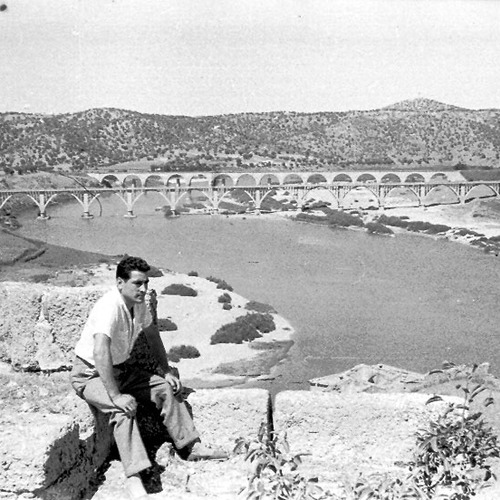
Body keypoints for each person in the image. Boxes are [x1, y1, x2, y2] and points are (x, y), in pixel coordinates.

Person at [71, 256, 227, 500]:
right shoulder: (109, 307)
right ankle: (134, 478)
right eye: (137, 284)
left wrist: (165, 370)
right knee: (122, 409)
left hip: (122, 370)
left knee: (164, 387)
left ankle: (190, 445)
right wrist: (115, 395)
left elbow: (152, 334)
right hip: (91, 374)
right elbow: (100, 352)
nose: (143, 289)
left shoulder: (140, 302)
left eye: (146, 283)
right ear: (120, 283)